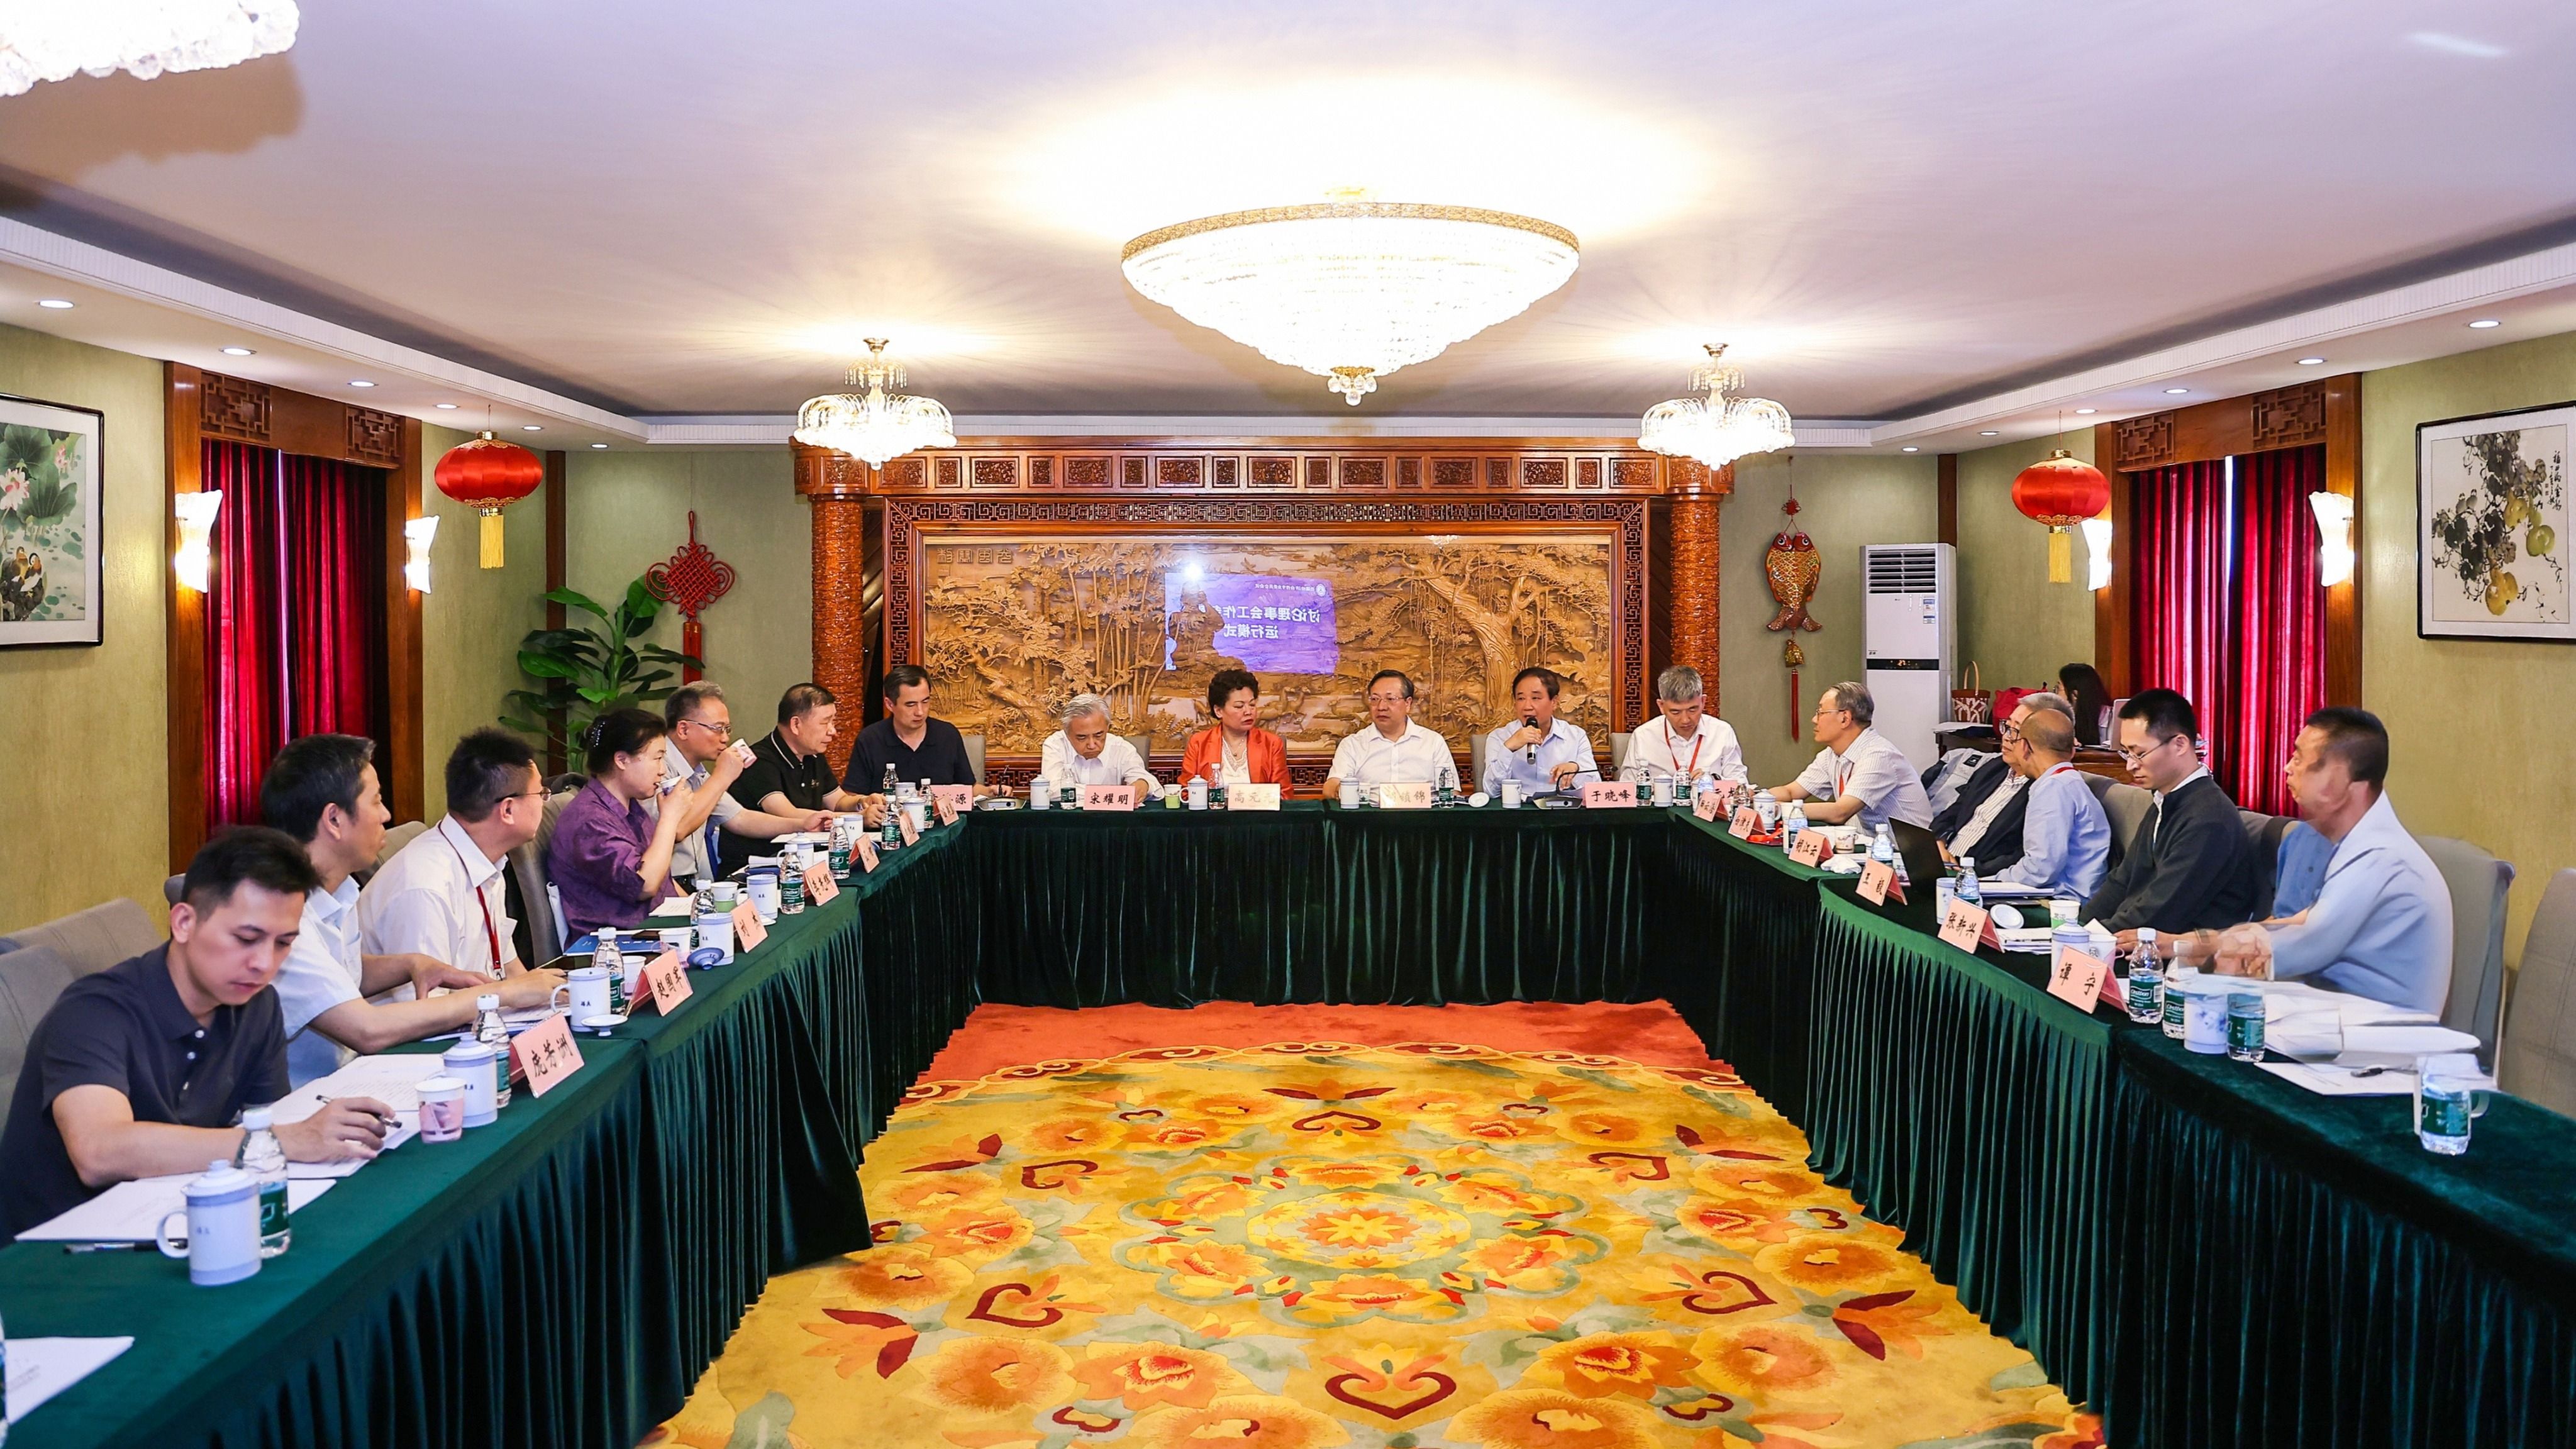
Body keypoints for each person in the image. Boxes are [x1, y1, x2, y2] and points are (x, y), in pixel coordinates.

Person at [2, 830, 393, 1236]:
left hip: (175, 1215)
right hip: (58, 1249)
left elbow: (272, 1120)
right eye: (247, 939)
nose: (264, 963)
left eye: (283, 943)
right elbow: (100, 1152)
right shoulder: (93, 1012)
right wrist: (284, 1140)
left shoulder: (257, 1006)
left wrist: (305, 1135)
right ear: (184, 922)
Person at [264, 735, 564, 1087]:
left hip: (353, 1080)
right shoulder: (282, 919)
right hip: (311, 1097)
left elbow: (343, 972)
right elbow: (366, 1030)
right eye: (376, 801)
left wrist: (411, 964)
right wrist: (502, 994)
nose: (386, 815)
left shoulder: (339, 891)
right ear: (334, 819)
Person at [2168, 708, 2452, 1014]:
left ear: (2339, 778)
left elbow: (2306, 942)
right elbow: (2300, 921)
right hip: (2337, 1011)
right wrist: (2197, 942)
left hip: (2382, 1026)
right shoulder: (2346, 842)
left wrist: (2197, 946)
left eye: (2299, 758)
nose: (2288, 768)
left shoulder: (2381, 858)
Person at [360, 728, 555, 975]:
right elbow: (427, 999)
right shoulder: (425, 889)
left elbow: (508, 969)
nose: (544, 801)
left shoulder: (488, 862)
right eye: (540, 793)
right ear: (507, 810)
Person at [2083, 688, 2257, 938]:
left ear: (2180, 744)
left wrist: (2091, 938)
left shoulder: (2209, 819)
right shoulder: (2165, 799)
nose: (2130, 765)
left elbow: (2161, 912)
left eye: (2139, 753)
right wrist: (2078, 928)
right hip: (2136, 938)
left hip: (2181, 952)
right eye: (2126, 753)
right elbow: (2122, 881)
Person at [659, 683, 839, 889]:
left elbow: (740, 818)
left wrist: (802, 825)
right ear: (684, 729)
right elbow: (678, 828)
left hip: (697, 884)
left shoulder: (700, 773)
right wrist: (722, 777)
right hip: (667, 886)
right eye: (717, 729)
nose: (725, 738)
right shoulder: (659, 767)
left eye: (727, 729)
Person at [547, 709, 687, 939]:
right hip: (615, 944)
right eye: (657, 758)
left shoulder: (630, 806)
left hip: (654, 929)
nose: (663, 771)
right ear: (622, 760)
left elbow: (663, 880)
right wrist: (669, 818)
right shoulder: (589, 821)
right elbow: (644, 885)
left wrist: (693, 909)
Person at [728, 683, 881, 875]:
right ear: (796, 725)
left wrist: (863, 802)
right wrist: (859, 819)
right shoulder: (760, 760)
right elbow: (787, 813)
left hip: (806, 858)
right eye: (825, 723)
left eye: (833, 722)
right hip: (761, 866)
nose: (833, 731)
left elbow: (838, 801)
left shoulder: (813, 755)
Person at [1762, 680, 1933, 831]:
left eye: (1821, 712)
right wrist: (1758, 799)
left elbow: (1840, 812)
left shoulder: (1878, 755)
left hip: (1901, 852)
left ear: (1845, 718)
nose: (1814, 719)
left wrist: (1776, 809)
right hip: (1865, 846)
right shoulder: (1830, 755)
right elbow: (1791, 792)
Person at [1933, 692, 2076, 872]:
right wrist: (1938, 842)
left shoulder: (2047, 789)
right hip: (1945, 865)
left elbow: (2023, 858)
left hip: (1981, 877)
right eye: (2007, 727)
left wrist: (1966, 871)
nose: (2007, 737)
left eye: (2017, 731)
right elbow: (1954, 811)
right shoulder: (1995, 767)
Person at [1991, 706, 2112, 899]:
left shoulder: (2054, 789)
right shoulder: (2065, 781)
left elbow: (2040, 870)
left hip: (2061, 901)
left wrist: (1991, 883)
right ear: (2072, 750)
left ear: (2024, 747)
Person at [843, 666, 980, 795]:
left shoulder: (947, 735)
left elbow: (968, 789)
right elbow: (853, 795)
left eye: (925, 702)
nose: (920, 712)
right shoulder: (870, 739)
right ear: (890, 704)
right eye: (911, 705)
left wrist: (990, 792)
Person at [1323, 670, 1457, 796]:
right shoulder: (1353, 744)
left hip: (1423, 812)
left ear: (1408, 703)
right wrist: (1340, 791)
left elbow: (1452, 792)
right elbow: (1331, 785)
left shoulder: (1433, 742)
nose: (1381, 707)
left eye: (1391, 699)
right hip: (1370, 812)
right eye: (1375, 699)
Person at [1481, 667, 1601, 796]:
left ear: (1554, 702)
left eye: (1536, 698)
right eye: (1521, 699)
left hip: (1560, 806)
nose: (1527, 706)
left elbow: (1595, 789)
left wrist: (1575, 768)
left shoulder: (1576, 736)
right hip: (1518, 807)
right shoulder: (1500, 737)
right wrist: (1508, 749)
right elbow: (1491, 791)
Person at [1624, 665, 1747, 786]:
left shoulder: (1722, 732)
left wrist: (1715, 781)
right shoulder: (1643, 736)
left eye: (1692, 710)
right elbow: (1627, 787)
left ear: (1703, 702)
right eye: (1675, 712)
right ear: (1661, 706)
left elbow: (1741, 785)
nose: (1685, 720)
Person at [1181, 669, 1290, 787]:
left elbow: (1283, 793)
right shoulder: (1199, 743)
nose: (1248, 712)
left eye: (1252, 705)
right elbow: (1186, 792)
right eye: (1239, 706)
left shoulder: (1271, 744)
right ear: (1219, 711)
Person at [1037, 693, 1160, 796]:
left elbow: (1154, 788)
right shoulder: (1056, 745)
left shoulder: (1122, 748)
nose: (1092, 745)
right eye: (1082, 737)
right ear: (1067, 733)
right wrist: (1109, 793)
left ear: (1108, 728)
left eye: (1099, 735)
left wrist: (1144, 784)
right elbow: (1051, 790)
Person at [2058, 662, 2112, 748]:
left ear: (2075, 694)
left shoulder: (2111, 717)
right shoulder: (2060, 717)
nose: (2056, 694)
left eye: (2059, 689)